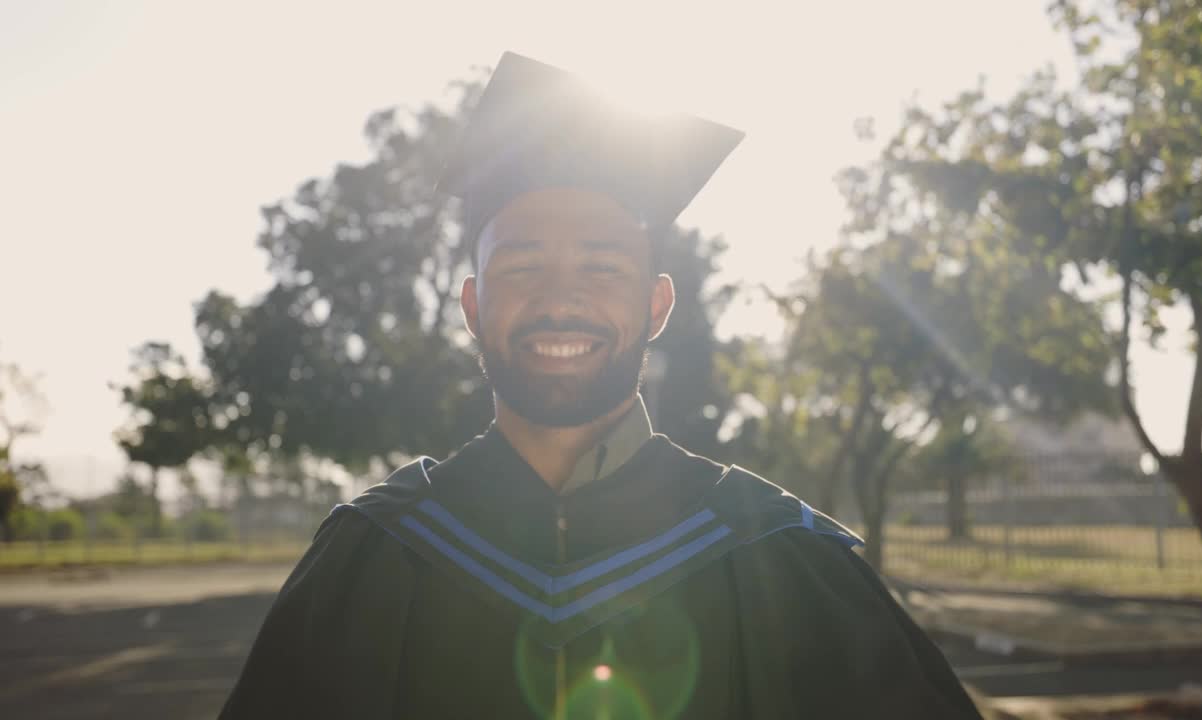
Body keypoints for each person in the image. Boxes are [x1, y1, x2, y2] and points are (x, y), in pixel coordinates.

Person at [220, 52, 981, 720]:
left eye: (601, 266)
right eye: (521, 266)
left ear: (655, 306)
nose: (561, 297)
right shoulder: (373, 556)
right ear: (474, 307)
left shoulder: (778, 556)